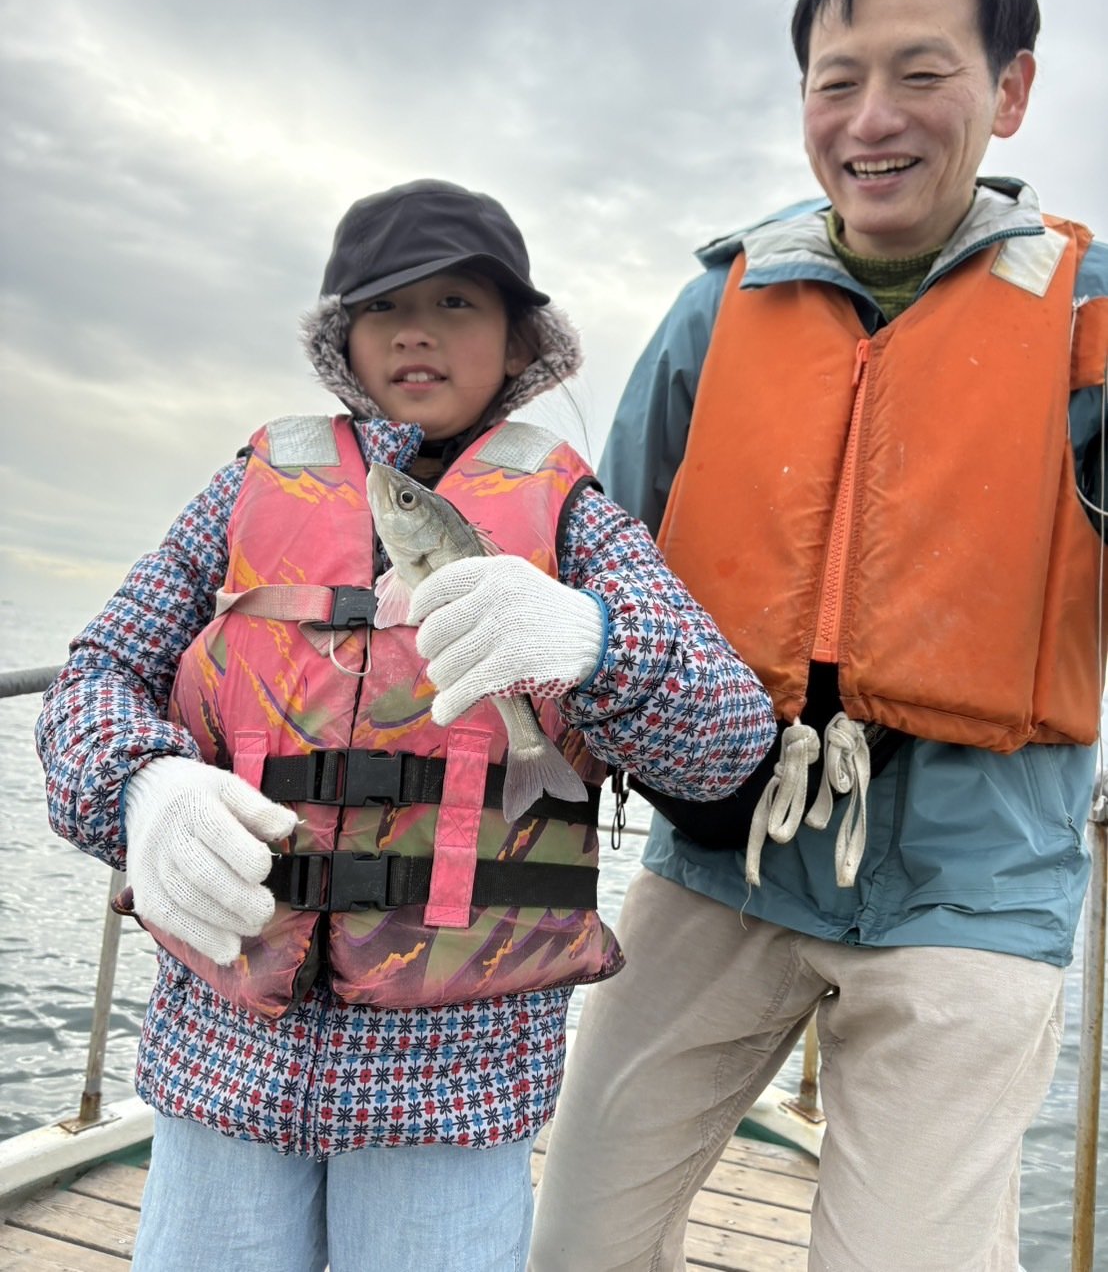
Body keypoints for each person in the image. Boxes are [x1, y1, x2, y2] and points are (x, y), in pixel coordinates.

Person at [529, 0, 1108, 1272]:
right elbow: (598, 570)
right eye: (836, 80)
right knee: (578, 1240)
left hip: (976, 885)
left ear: (1010, 89)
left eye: (922, 73)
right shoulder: (719, 305)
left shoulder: (1088, 321)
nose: (871, 118)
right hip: (720, 845)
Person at [36, 178, 776, 1272]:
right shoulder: (251, 483)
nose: (416, 330)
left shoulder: (573, 512)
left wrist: (596, 640)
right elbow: (95, 674)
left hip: (457, 1074)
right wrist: (142, 786)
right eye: (383, 305)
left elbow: (728, 742)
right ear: (343, 338)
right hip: (226, 1046)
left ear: (519, 338)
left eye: (455, 303)